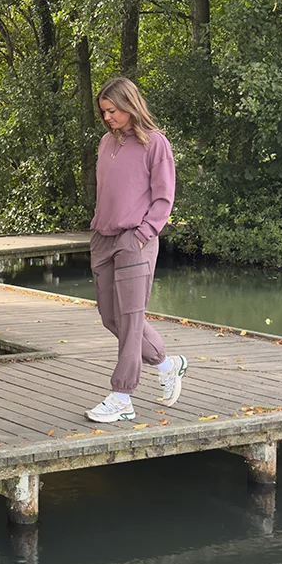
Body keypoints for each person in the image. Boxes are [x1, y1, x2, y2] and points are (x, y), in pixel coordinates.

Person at [84, 77, 185, 424]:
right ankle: (168, 364)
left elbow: (163, 198)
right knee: (112, 317)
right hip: (103, 239)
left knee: (130, 318)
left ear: (130, 105)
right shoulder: (105, 143)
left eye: (112, 110)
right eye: (103, 112)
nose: (107, 117)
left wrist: (143, 234)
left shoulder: (156, 144)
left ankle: (122, 395)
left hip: (134, 240)